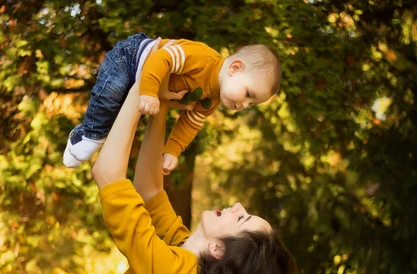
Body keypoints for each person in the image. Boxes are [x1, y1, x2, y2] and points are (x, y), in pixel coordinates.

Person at [92, 74, 297, 274]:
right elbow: (149, 190)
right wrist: (158, 105)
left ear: (218, 249)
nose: (238, 205)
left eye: (241, 218)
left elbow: (107, 174)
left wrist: (142, 83)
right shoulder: (184, 256)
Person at [65, 32, 282, 175]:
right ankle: (87, 135)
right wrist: (150, 92)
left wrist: (172, 151)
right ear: (235, 68)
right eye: (247, 94)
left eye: (251, 104)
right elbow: (162, 58)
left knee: (117, 119)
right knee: (108, 95)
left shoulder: (211, 101)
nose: (243, 105)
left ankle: (87, 136)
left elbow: (190, 124)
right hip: (132, 59)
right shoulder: (202, 58)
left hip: (145, 86)